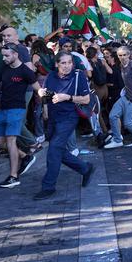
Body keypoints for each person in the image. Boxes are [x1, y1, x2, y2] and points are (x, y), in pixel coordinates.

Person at [36, 51, 94, 200]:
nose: (67, 66)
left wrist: (67, 97)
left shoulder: (78, 75)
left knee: (54, 148)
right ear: (57, 64)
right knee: (58, 150)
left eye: (69, 62)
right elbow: (48, 95)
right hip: (53, 117)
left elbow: (86, 99)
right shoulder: (51, 76)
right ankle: (85, 168)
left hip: (69, 117)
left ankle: (48, 186)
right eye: (63, 63)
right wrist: (43, 95)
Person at [0, 44, 41, 189]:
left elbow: (38, 90)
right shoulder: (3, 68)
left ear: (16, 54)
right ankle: (25, 156)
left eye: (7, 55)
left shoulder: (25, 71)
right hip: (3, 109)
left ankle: (13, 177)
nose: (4, 58)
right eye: (3, 55)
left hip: (17, 109)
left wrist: (49, 102)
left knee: (11, 141)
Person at [103, 46, 132, 150]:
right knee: (112, 116)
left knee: (127, 123)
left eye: (124, 55)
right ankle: (118, 140)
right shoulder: (121, 65)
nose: (122, 57)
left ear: (128, 55)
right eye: (120, 55)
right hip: (125, 96)